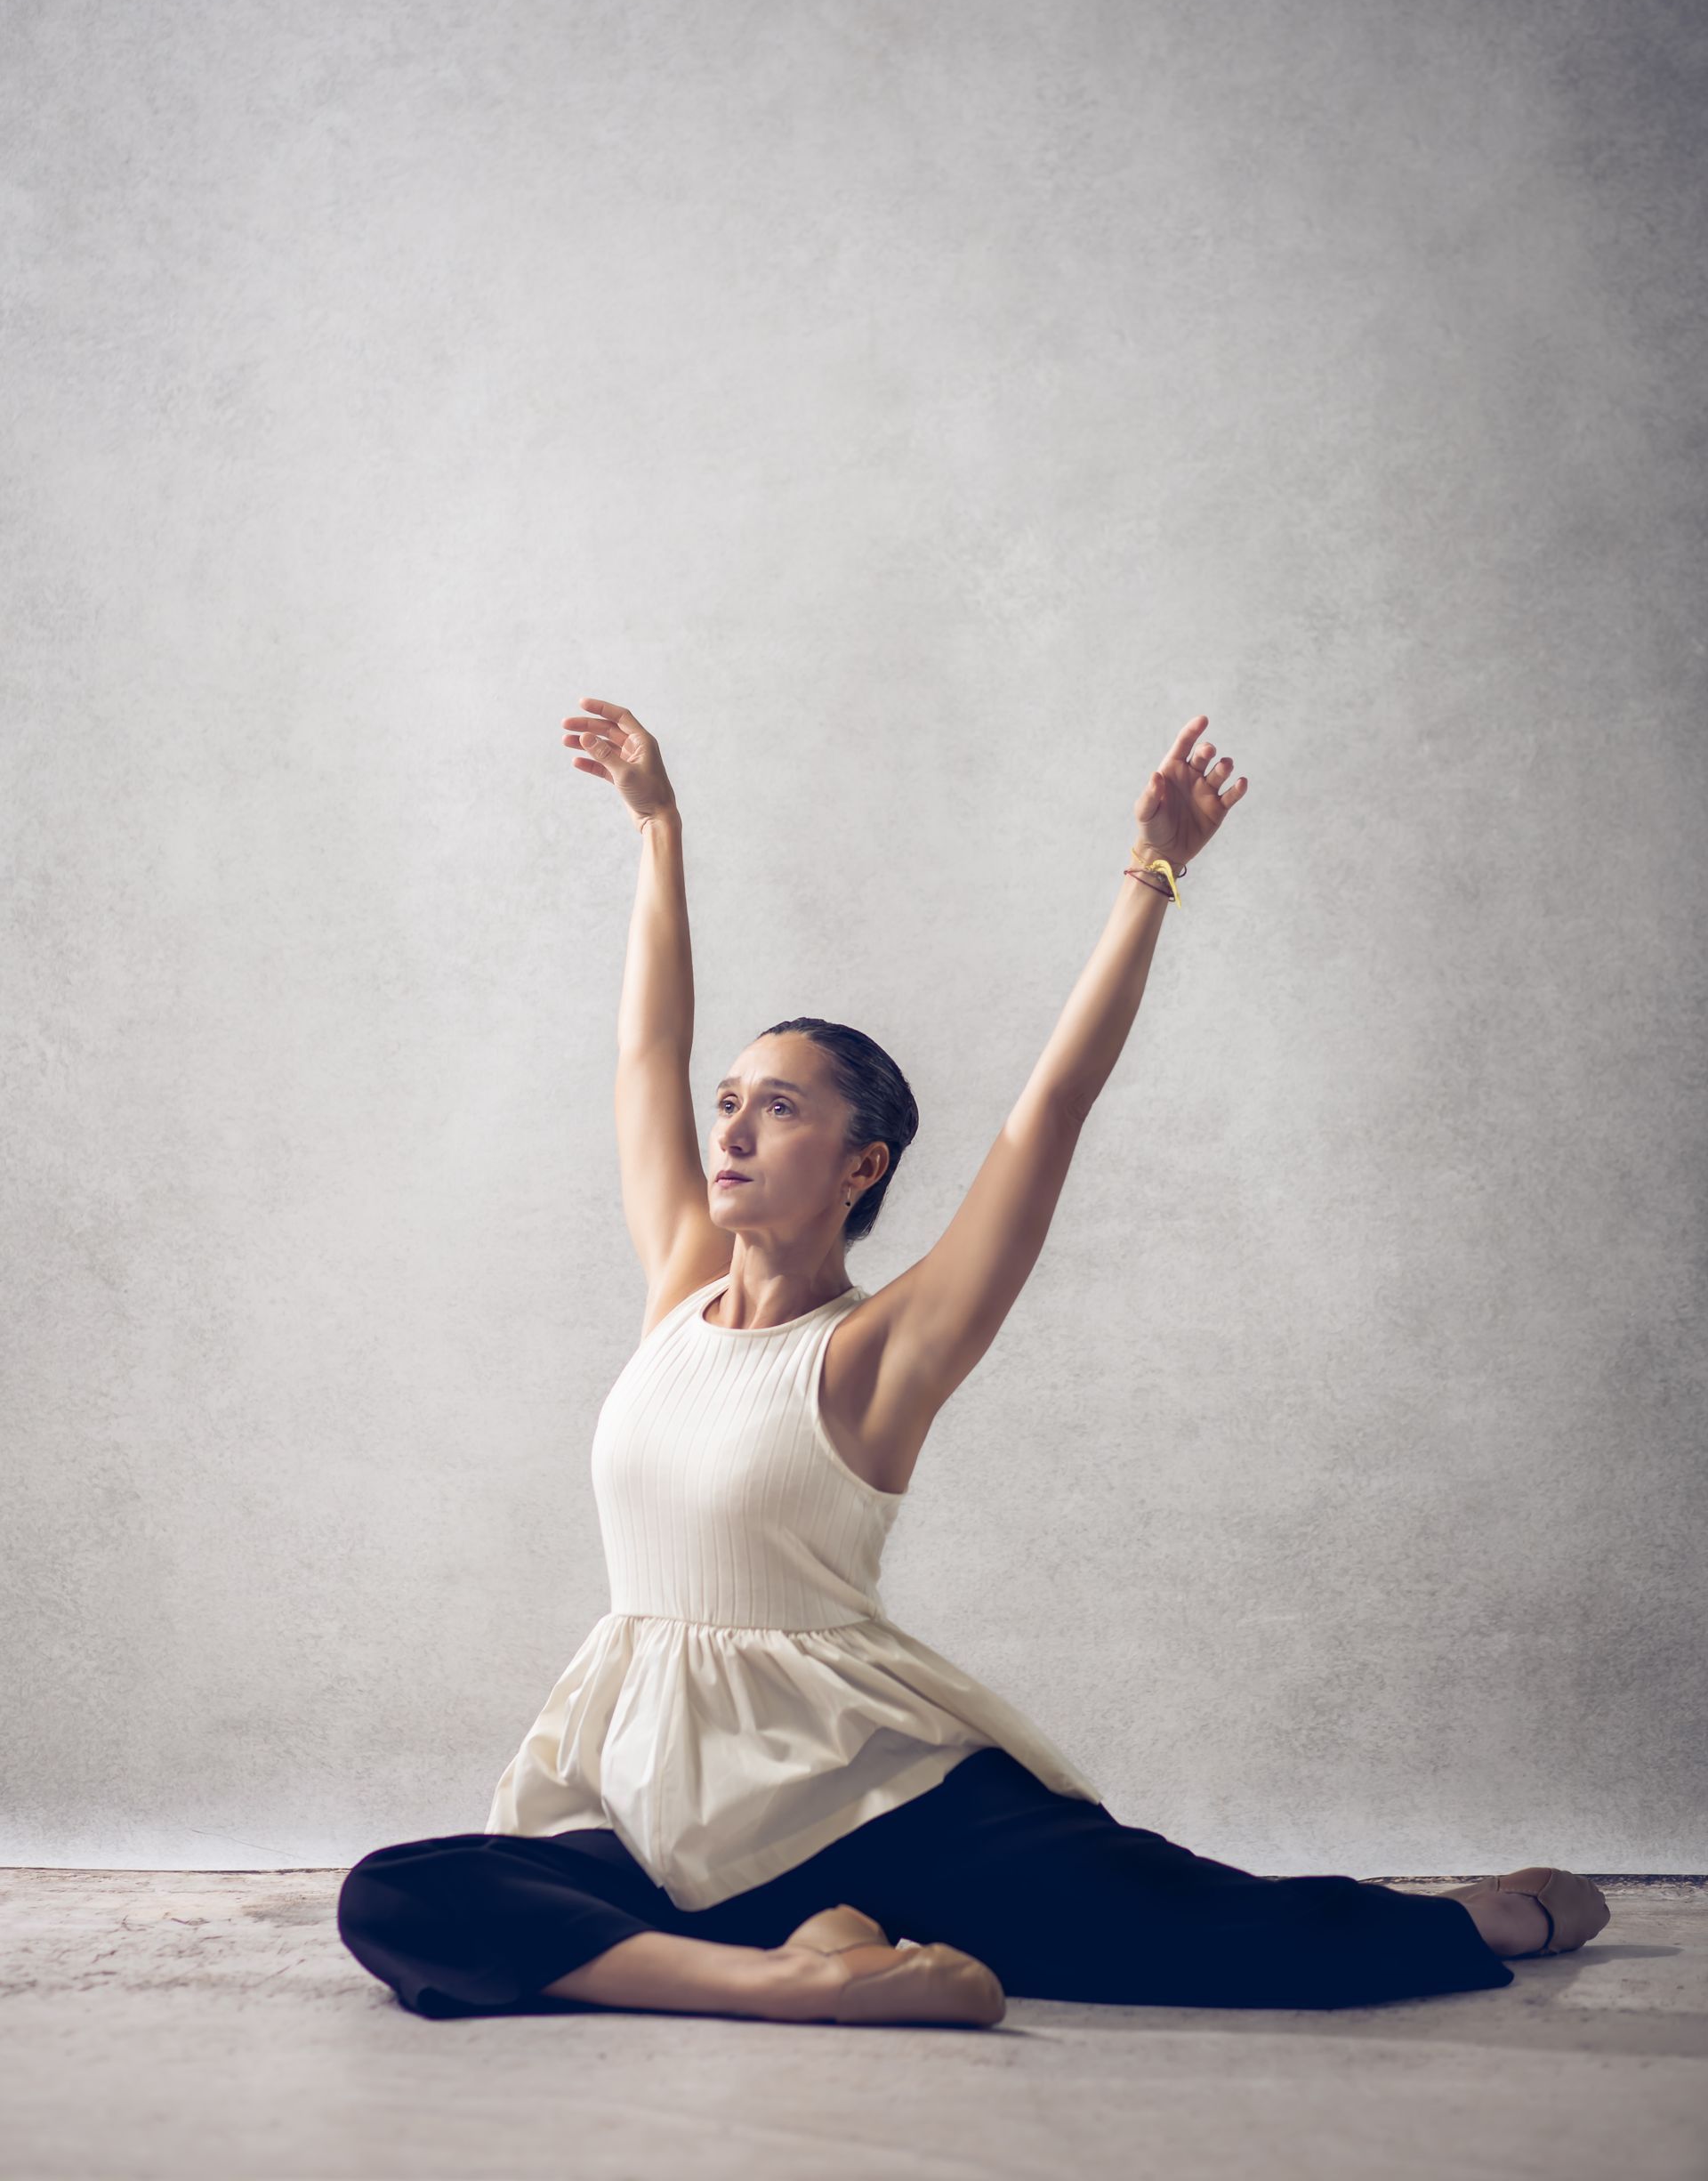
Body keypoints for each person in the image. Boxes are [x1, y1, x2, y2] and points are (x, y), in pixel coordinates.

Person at [337, 700, 1609, 2023]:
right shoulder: (678, 1286)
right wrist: (659, 829)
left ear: (861, 1164)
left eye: (780, 1108)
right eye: (730, 1103)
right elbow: (645, 1050)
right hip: (666, 1797)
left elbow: (1047, 1111)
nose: (733, 1127)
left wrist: (1152, 874)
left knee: (1226, 1943)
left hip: (866, 1799)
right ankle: (802, 1979)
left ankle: (1496, 1911)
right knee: (399, 1896)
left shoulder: (882, 1350)